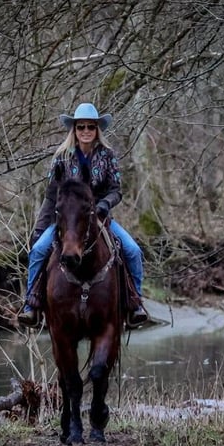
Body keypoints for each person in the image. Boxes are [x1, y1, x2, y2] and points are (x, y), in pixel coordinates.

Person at [17, 102, 149, 328]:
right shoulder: (62, 157)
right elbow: (50, 196)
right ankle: (32, 303)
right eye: (81, 127)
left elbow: (116, 189)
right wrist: (40, 228)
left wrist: (105, 204)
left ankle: (135, 302)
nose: (86, 131)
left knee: (133, 251)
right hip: (66, 220)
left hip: (98, 217)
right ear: (74, 130)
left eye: (90, 126)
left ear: (97, 129)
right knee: (39, 249)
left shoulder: (107, 155)